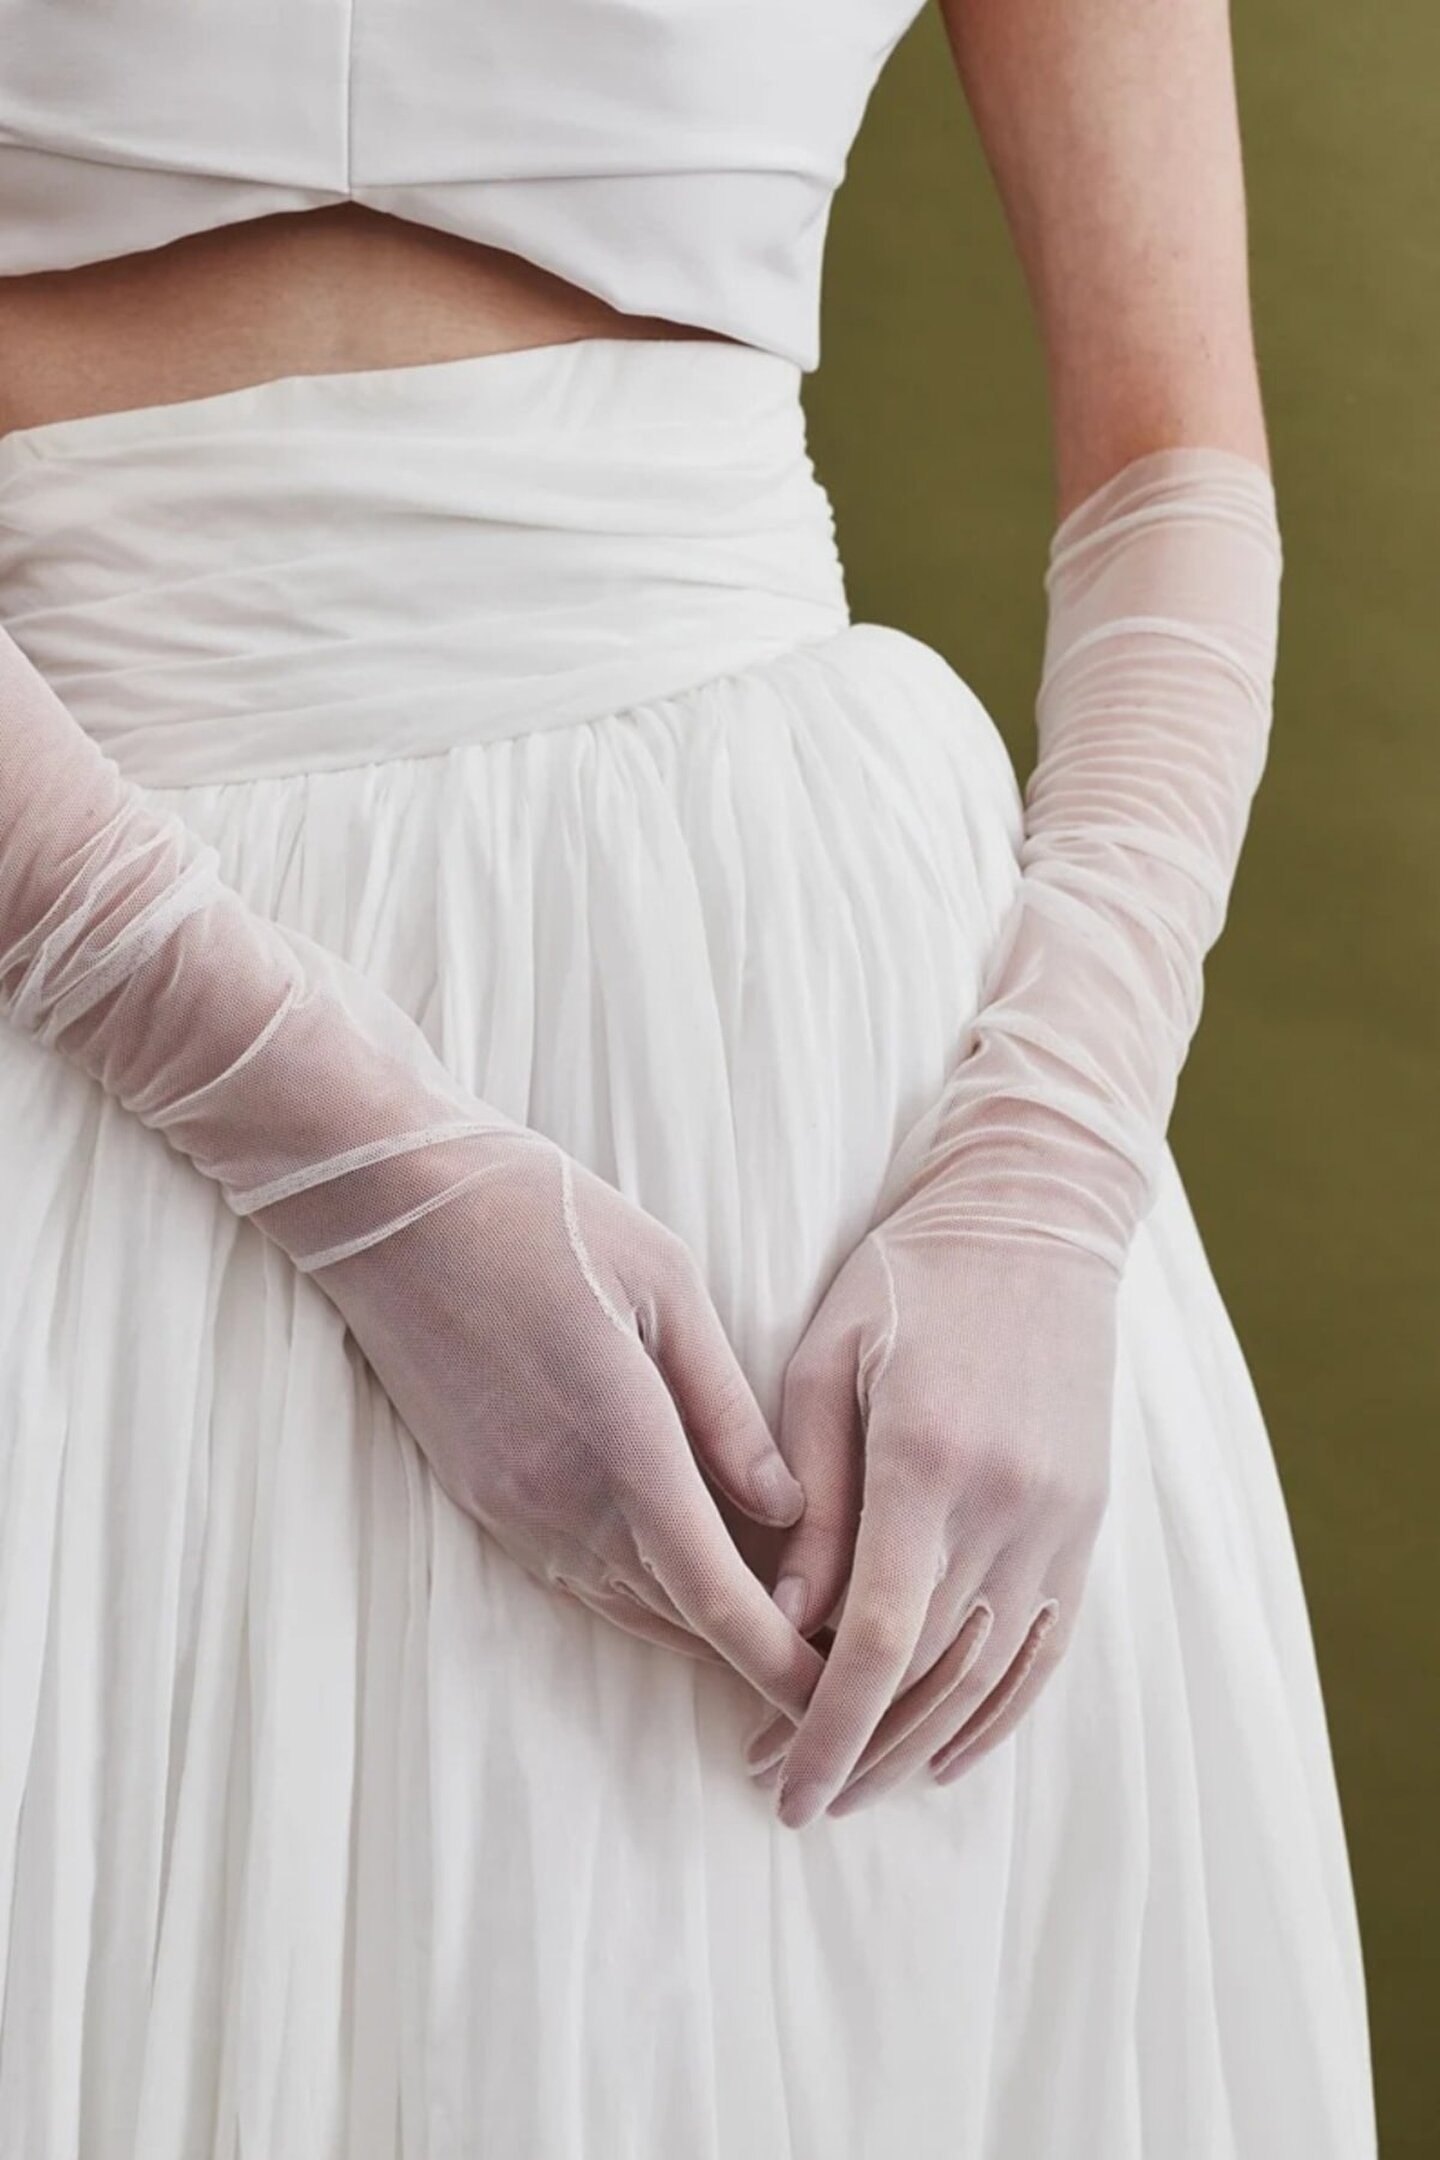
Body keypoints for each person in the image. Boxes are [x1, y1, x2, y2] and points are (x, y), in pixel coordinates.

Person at [0, 1, 1376, 2153]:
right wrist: (348, 1153)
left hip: (794, 1045)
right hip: (89, 1002)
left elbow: (1174, 469)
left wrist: (1047, 1164)